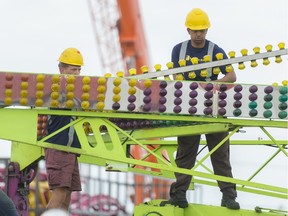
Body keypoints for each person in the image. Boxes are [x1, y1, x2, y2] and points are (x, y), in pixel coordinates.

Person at [160, 8, 240, 209]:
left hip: (214, 108)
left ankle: (229, 196)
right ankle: (179, 195)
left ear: (207, 30)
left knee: (220, 154)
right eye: (195, 30)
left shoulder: (216, 50)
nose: (199, 34)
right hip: (189, 108)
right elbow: (173, 76)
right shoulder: (179, 50)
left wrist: (215, 83)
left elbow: (231, 76)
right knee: (186, 153)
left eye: (202, 30)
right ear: (188, 30)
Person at [45, 48, 83, 211]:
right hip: (59, 147)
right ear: (61, 69)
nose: (77, 73)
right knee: (60, 192)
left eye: (79, 69)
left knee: (67, 195)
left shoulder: (75, 91)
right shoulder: (56, 90)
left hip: (70, 149)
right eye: (73, 69)